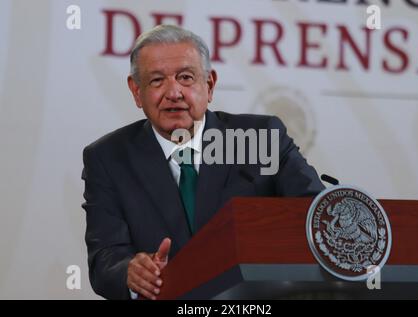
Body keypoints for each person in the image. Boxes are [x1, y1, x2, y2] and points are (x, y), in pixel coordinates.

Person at [81, 24, 325, 300]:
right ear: (137, 91)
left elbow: (316, 216)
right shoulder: (108, 158)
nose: (173, 93)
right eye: (157, 81)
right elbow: (104, 259)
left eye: (185, 78)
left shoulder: (261, 139)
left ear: (209, 85)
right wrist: (130, 271)